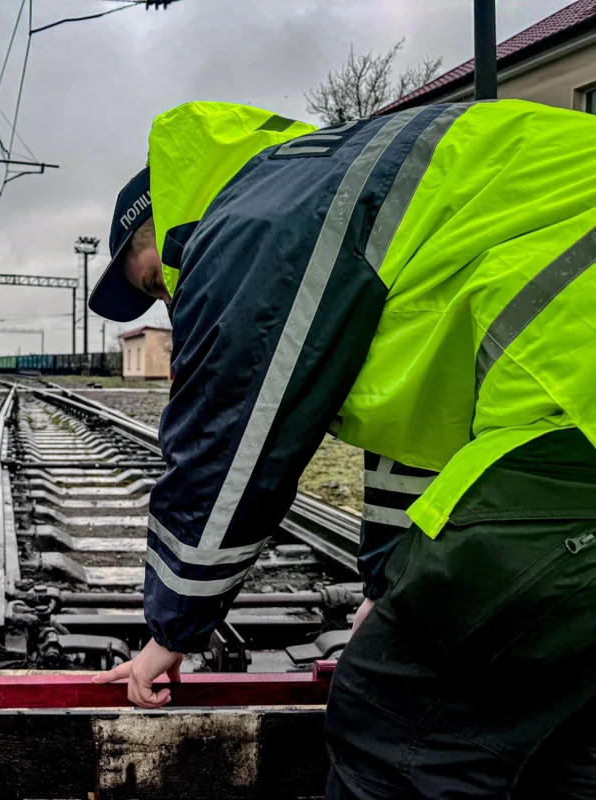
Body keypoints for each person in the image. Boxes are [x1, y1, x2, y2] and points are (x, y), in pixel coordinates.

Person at [89, 100, 596, 797]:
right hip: (567, 399)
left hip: (575, 411)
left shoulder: (252, 221)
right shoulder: (352, 187)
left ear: (164, 215)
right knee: (565, 738)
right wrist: (389, 583)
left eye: (153, 279)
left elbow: (228, 441)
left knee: (399, 729)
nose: (169, 299)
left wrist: (171, 630)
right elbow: (422, 442)